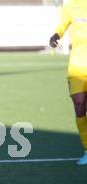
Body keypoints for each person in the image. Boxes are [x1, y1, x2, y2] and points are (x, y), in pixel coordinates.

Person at [50, 0, 87, 165]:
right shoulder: (71, 6)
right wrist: (55, 35)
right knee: (79, 106)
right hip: (77, 65)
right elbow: (61, 26)